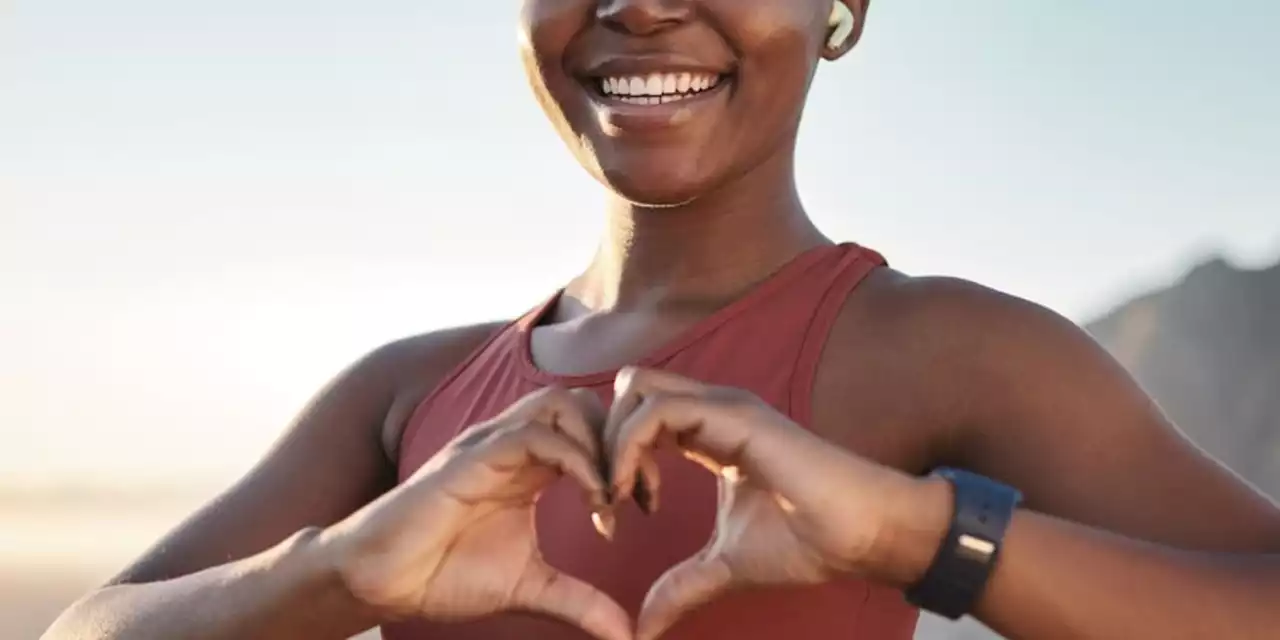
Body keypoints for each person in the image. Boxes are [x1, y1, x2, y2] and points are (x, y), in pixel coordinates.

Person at [44, 1, 1280, 639]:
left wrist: (914, 536)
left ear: (841, 7)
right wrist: (336, 571)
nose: (639, 5)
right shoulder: (407, 395)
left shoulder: (948, 352)